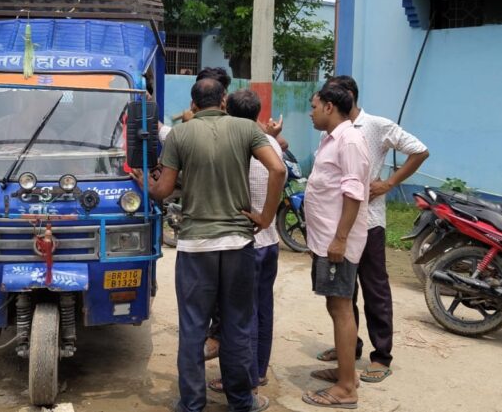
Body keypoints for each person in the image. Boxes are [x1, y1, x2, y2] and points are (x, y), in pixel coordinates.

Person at [134, 78, 286, 412]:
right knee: (237, 324)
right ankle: (242, 401)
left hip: (195, 246)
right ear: (223, 100)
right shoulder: (246, 129)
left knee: (193, 327)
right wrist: (266, 216)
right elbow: (278, 169)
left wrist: (147, 183)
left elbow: (164, 191)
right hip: (237, 243)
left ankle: (191, 402)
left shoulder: (180, 135)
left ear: (193, 103)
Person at [314, 75, 429, 383]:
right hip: (340, 223)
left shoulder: (374, 126)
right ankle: (350, 350)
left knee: (374, 288)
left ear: (345, 97)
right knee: (343, 292)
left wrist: (390, 182)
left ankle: (381, 355)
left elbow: (419, 150)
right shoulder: (332, 131)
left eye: (326, 97)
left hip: (369, 221)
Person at [206, 89, 283, 394]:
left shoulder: (236, 145)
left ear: (229, 112)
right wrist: (269, 217)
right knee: (263, 308)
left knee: (241, 314)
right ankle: (259, 371)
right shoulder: (272, 142)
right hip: (271, 240)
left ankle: (243, 378)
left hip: (246, 241)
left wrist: (261, 216)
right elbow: (281, 172)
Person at [301, 83, 371, 409]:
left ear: (329, 107)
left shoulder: (350, 140)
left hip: (337, 243)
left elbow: (353, 192)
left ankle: (346, 388)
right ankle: (346, 372)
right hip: (327, 240)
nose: (311, 112)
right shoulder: (332, 139)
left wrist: (340, 238)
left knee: (341, 308)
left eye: (314, 106)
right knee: (335, 306)